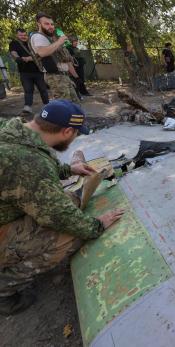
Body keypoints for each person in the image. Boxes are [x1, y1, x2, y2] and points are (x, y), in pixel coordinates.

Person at [0, 100, 125, 315]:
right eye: (76, 134)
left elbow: (26, 167)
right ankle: (4, 290)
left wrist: (68, 169)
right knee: (71, 234)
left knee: (65, 202)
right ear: (67, 131)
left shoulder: (12, 130)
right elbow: (59, 217)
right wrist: (97, 225)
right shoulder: (27, 163)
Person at [29, 12, 80, 103]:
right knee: (65, 107)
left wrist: (72, 77)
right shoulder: (37, 36)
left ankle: (76, 117)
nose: (50, 26)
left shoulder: (50, 38)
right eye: (46, 24)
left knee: (75, 105)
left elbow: (64, 59)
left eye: (52, 24)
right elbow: (42, 52)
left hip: (62, 75)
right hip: (55, 76)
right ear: (38, 24)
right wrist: (59, 42)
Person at [9, 28, 49, 114]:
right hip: (24, 72)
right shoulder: (14, 43)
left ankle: (48, 105)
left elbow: (40, 54)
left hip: (38, 70)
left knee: (43, 89)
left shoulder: (32, 42)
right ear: (17, 35)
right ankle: (27, 107)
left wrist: (28, 58)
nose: (23, 37)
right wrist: (17, 58)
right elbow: (13, 52)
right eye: (21, 35)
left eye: (24, 35)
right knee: (28, 90)